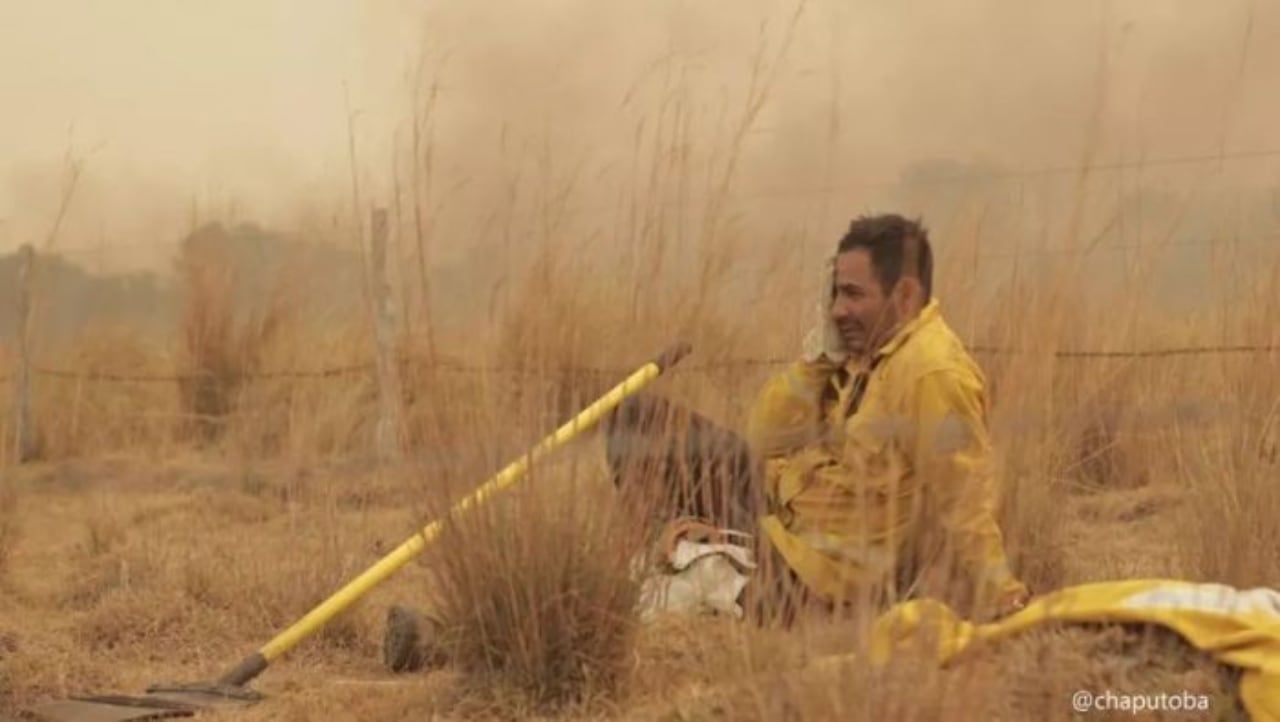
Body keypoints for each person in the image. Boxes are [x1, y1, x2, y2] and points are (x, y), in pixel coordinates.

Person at [744, 213, 1030, 623]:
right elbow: (762, 439)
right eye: (836, 295)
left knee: (647, 435)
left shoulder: (932, 373)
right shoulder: (861, 353)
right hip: (780, 528)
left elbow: (964, 501)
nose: (838, 311)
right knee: (641, 421)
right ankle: (712, 562)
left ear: (905, 296)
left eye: (853, 295)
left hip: (817, 575)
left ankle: (723, 575)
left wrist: (1006, 597)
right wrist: (819, 360)